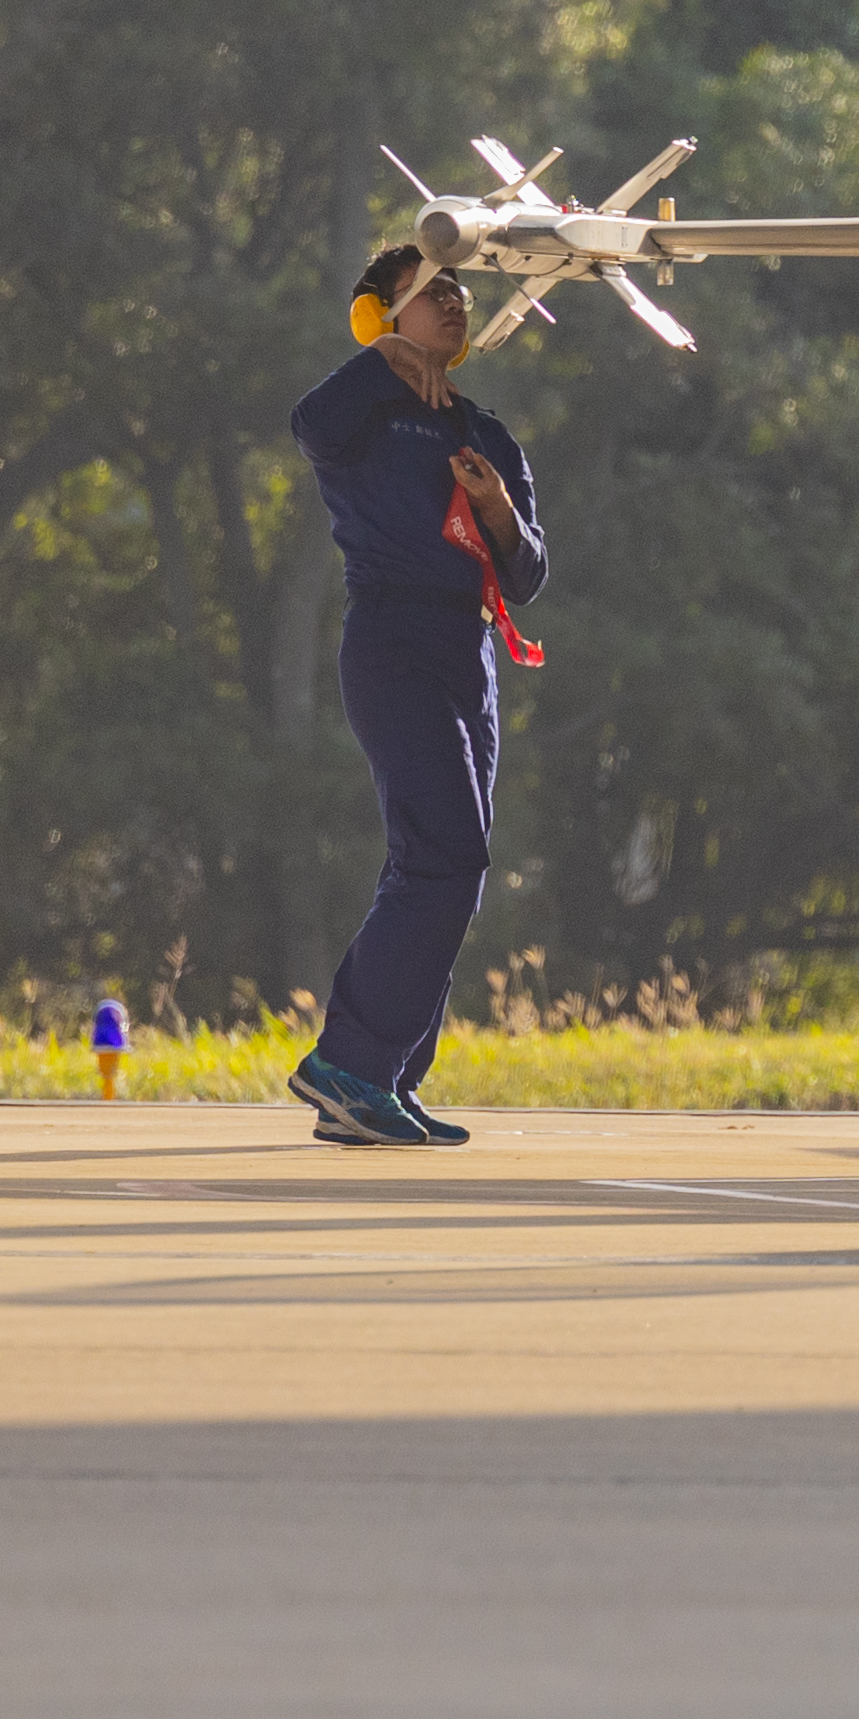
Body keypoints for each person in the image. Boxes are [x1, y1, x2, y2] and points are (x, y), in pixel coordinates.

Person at [284, 241, 547, 1150]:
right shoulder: (362, 412)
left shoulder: (487, 435)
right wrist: (385, 358)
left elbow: (528, 578)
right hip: (392, 640)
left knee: (453, 867)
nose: (456, 301)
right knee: (446, 852)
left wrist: (502, 513)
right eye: (432, 291)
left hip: (467, 648)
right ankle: (348, 1066)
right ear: (382, 314)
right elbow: (310, 424)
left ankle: (381, 1082)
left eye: (461, 290)